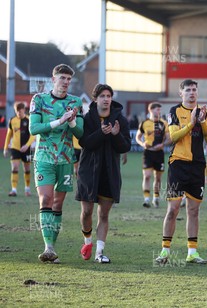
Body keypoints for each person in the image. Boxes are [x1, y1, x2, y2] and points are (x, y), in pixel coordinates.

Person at [155, 79, 207, 265]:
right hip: (178, 165)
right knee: (172, 210)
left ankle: (192, 252)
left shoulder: (206, 112)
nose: (191, 92)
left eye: (194, 89)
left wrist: (202, 122)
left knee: (193, 211)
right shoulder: (174, 111)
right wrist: (191, 123)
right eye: (188, 90)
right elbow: (173, 137)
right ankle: (165, 251)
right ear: (181, 94)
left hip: (197, 166)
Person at [29, 64, 84, 263]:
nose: (66, 82)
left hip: (66, 159)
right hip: (44, 158)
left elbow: (81, 134)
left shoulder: (75, 102)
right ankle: (48, 247)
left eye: (69, 79)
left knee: (58, 203)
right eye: (62, 78)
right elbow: (33, 129)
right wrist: (59, 121)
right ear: (53, 79)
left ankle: (52, 248)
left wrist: (71, 122)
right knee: (46, 199)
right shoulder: (39, 99)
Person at [76, 84, 131, 263]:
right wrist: (101, 133)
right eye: (102, 96)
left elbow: (125, 146)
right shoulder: (87, 118)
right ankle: (87, 242)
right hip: (88, 171)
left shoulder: (120, 120)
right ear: (95, 99)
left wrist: (115, 135)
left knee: (104, 214)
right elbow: (85, 143)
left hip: (110, 172)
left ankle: (100, 253)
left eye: (109, 96)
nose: (106, 99)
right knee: (86, 212)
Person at [136, 103, 168, 208]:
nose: (159, 112)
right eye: (157, 110)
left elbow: (170, 138)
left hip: (159, 153)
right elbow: (138, 137)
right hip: (148, 153)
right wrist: (142, 144)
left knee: (158, 178)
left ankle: (156, 198)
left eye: (160, 110)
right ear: (151, 110)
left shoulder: (164, 124)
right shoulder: (144, 123)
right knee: (147, 176)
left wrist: (163, 144)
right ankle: (146, 199)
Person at [4, 102, 34, 197]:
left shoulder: (29, 120)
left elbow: (33, 135)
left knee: (27, 168)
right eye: (17, 112)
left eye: (20, 112)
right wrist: (5, 148)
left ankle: (27, 189)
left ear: (24, 110)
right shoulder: (12, 120)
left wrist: (27, 145)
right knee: (15, 167)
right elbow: (9, 135)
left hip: (26, 149)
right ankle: (14, 190)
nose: (19, 114)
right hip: (15, 148)